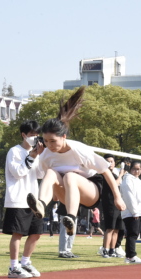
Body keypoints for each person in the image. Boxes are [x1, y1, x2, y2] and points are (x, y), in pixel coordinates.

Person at [26, 87, 126, 238]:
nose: (49, 145)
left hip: (91, 191)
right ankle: (41, 204)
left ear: (64, 137)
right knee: (52, 172)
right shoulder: (46, 155)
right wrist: (53, 194)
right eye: (45, 141)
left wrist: (117, 197)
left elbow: (106, 171)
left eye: (53, 141)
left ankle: (71, 218)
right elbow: (48, 178)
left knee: (70, 176)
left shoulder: (79, 150)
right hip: (67, 194)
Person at [3, 120, 45, 278]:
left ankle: (25, 262)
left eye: (37, 135)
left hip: (34, 200)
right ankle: (14, 267)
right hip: (18, 198)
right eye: (32, 135)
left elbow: (40, 174)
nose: (35, 138)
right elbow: (18, 173)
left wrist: (42, 156)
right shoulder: (14, 151)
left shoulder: (37, 153)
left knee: (36, 233)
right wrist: (32, 156)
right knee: (18, 233)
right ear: (24, 135)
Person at [119, 161, 141, 264]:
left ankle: (129, 256)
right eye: (134, 169)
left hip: (140, 211)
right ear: (130, 169)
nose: (136, 171)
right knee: (132, 234)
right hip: (131, 212)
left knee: (135, 234)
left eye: (138, 169)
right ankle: (131, 256)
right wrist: (134, 212)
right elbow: (129, 197)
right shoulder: (127, 180)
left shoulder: (140, 182)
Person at [100, 154, 126, 258]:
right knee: (110, 228)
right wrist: (121, 175)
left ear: (114, 163)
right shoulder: (105, 174)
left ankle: (112, 250)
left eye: (111, 161)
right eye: (108, 161)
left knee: (117, 229)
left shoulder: (114, 174)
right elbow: (115, 184)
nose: (110, 163)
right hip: (110, 204)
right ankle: (105, 250)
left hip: (118, 205)